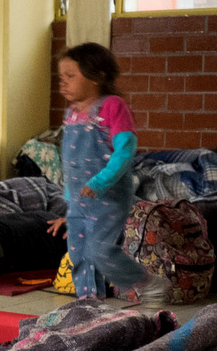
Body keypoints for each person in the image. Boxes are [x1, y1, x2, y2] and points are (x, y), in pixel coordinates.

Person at [57, 42, 152, 301]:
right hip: (79, 201)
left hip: (107, 197)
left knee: (100, 250)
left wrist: (100, 182)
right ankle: (89, 303)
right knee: (79, 254)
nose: (63, 83)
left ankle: (144, 282)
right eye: (61, 77)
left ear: (97, 77)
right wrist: (68, 204)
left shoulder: (112, 105)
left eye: (71, 76)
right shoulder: (72, 113)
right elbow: (70, 161)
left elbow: (125, 150)